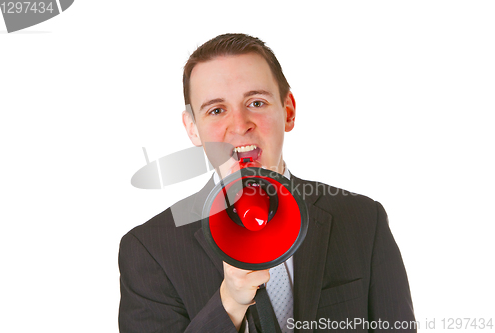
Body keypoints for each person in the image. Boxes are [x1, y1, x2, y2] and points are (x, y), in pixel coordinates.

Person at [118, 33, 416, 332]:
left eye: (256, 102)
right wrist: (230, 304)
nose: (239, 124)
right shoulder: (148, 249)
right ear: (193, 129)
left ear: (288, 111)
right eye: (216, 110)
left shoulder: (363, 219)